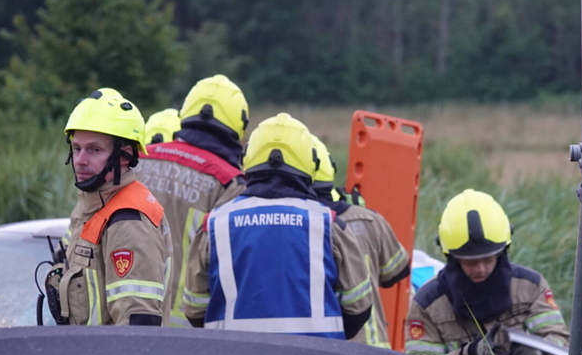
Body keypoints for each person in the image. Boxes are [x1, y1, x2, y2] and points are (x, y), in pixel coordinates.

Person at [183, 113, 373, 338]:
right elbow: (358, 308)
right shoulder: (329, 224)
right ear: (310, 163)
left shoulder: (214, 224)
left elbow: (195, 309)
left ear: (248, 158)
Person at [405, 189, 569, 355]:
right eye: (470, 262)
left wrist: (538, 351)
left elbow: (562, 347)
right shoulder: (428, 303)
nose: (480, 269)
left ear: (502, 252)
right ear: (452, 258)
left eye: (488, 259)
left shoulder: (529, 287)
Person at [45, 88, 171, 326]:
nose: (80, 160)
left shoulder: (129, 221)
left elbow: (138, 327)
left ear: (124, 155)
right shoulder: (90, 206)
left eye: (95, 150)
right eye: (76, 148)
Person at [139, 75, 248, 326]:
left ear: (185, 112)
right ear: (238, 124)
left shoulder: (137, 159)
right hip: (189, 332)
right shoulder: (229, 182)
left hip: (119, 325)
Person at [311, 135, 410, 348]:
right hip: (376, 350)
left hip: (326, 353)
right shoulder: (367, 219)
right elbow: (397, 271)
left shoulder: (298, 228)